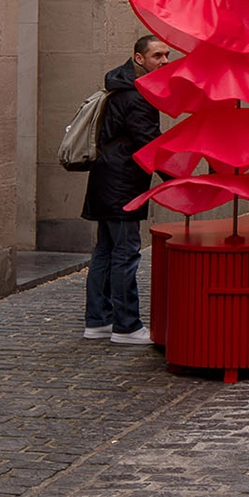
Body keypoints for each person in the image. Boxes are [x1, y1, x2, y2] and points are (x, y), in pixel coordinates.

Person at [82, 34, 171, 344]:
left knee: (105, 252)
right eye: (157, 56)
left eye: (166, 55)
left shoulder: (120, 86)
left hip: (107, 179)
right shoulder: (137, 96)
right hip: (121, 184)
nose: (164, 61)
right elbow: (150, 143)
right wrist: (175, 181)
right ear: (139, 59)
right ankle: (127, 326)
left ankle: (98, 322)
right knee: (125, 254)